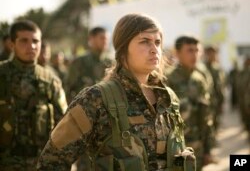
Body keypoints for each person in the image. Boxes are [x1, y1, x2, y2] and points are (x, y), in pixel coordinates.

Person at [37, 13, 196, 171]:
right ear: (123, 47)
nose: (154, 49)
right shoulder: (96, 98)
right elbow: (51, 161)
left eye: (157, 42)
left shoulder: (168, 98)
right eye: (145, 41)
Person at [0, 20, 68, 171]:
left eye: (35, 41)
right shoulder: (2, 75)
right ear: (11, 44)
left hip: (39, 163)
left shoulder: (50, 80)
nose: (31, 46)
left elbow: (64, 123)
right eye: (24, 40)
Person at [166, 36, 214, 171]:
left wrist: (208, 149)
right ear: (177, 53)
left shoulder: (200, 79)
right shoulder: (167, 78)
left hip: (197, 146)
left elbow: (206, 116)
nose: (194, 55)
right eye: (189, 50)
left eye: (197, 50)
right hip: (175, 147)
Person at [65, 26, 112, 103]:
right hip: (84, 109)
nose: (105, 41)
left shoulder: (111, 63)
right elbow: (68, 89)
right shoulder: (79, 62)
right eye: (102, 38)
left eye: (107, 39)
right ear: (92, 39)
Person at [204, 46, 225, 131]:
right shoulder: (203, 68)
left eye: (214, 53)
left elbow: (222, 85)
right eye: (210, 53)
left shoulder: (218, 68)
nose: (212, 56)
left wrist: (222, 100)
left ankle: (214, 135)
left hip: (217, 99)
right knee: (208, 120)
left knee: (216, 119)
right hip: (207, 98)